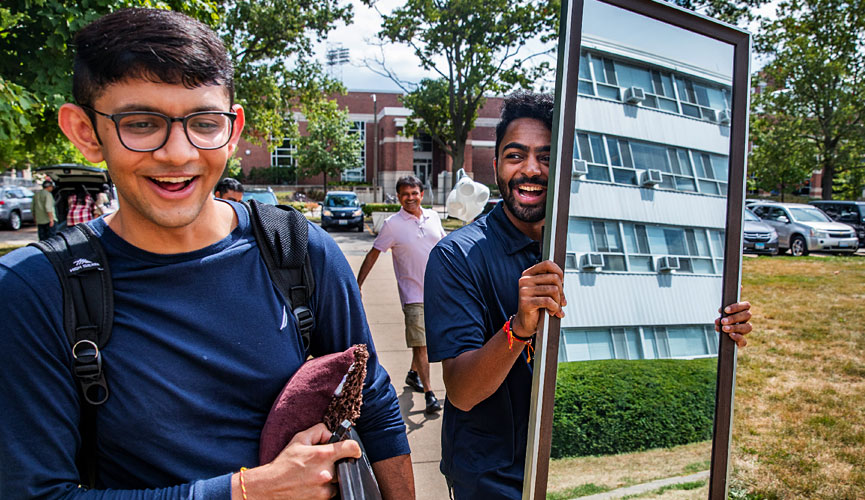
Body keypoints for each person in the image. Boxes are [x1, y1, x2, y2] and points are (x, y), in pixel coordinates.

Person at [0, 8, 411, 499]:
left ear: (233, 130)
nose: (178, 153)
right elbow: (37, 492)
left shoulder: (299, 251)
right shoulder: (36, 290)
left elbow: (374, 401)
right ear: (86, 132)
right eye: (141, 123)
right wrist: (249, 491)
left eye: (203, 121)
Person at [423, 92, 753, 499]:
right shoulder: (457, 257)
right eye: (515, 156)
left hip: (576, 471)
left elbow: (642, 320)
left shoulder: (593, 246)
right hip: (496, 479)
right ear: (495, 167)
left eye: (547, 157)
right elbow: (462, 391)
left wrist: (713, 324)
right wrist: (519, 328)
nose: (531, 170)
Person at [355, 176, 447, 414]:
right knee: (422, 343)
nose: (410, 198)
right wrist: (358, 284)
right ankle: (429, 393)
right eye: (405, 194)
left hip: (438, 292)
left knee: (425, 343)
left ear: (422, 194)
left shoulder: (434, 217)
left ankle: (413, 374)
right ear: (398, 197)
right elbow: (373, 254)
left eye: (414, 193)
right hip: (413, 294)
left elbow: (447, 249)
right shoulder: (392, 224)